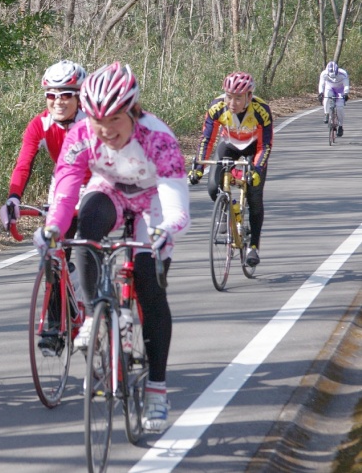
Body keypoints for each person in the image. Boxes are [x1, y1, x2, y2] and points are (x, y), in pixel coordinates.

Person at [33, 62, 190, 432]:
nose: (105, 130)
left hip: (153, 202)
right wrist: (53, 227)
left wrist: (167, 231)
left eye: (115, 119)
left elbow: (176, 205)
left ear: (133, 110)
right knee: (84, 227)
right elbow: (67, 184)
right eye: (96, 119)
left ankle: (156, 389)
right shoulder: (83, 135)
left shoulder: (158, 138)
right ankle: (93, 314)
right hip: (110, 192)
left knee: (151, 289)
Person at [0, 60, 90, 355]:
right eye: (51, 95)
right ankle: (54, 327)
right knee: (54, 253)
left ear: (79, 96)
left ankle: (93, 308)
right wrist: (13, 198)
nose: (57, 102)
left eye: (65, 95)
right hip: (63, 185)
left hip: (96, 184)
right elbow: (23, 163)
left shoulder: (92, 121)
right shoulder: (40, 123)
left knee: (89, 246)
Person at [188, 71, 272, 267]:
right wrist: (199, 167)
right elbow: (207, 140)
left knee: (254, 195)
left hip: (254, 147)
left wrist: (257, 170)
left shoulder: (262, 111)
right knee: (212, 187)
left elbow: (265, 146)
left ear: (249, 97)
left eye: (238, 98)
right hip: (230, 144)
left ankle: (253, 247)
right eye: (229, 97)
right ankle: (230, 206)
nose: (232, 102)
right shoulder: (216, 107)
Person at [318, 61, 350, 136]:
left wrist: (345, 93)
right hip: (330, 88)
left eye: (335, 76)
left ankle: (341, 126)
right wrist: (321, 93)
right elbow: (321, 84)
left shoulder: (343, 74)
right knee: (326, 98)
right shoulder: (324, 74)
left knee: (340, 108)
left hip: (340, 90)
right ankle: (326, 113)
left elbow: (346, 85)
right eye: (331, 77)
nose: (334, 79)